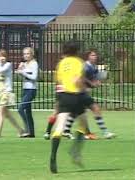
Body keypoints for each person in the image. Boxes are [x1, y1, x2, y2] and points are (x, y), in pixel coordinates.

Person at [43, 49, 115, 140]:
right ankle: (96, 133)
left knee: (75, 112)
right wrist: (91, 84)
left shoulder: (92, 67)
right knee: (83, 111)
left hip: (72, 92)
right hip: (76, 92)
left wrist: (96, 82)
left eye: (95, 55)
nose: (94, 57)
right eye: (92, 55)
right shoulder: (83, 65)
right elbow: (81, 78)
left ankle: (60, 131)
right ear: (88, 56)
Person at [50, 41, 88, 173]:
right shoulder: (79, 62)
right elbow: (77, 81)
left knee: (59, 128)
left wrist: (57, 102)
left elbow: (58, 83)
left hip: (63, 97)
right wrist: (83, 86)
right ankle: (75, 151)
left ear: (64, 51)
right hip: (76, 96)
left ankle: (53, 157)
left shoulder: (61, 64)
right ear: (76, 51)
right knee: (83, 125)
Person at [0, 49, 26, 138]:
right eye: (0, 56)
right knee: (7, 114)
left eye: (4, 56)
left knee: (0, 111)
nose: (2, 58)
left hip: (7, 92)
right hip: (1, 91)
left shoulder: (8, 65)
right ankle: (20, 130)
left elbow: (0, 72)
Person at [17, 47, 38, 138]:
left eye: (28, 54)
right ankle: (31, 133)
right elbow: (23, 76)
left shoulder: (34, 64)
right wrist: (20, 70)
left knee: (20, 108)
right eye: (24, 54)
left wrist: (23, 73)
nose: (26, 55)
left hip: (31, 90)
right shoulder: (24, 64)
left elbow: (34, 77)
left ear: (32, 54)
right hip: (25, 89)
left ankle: (27, 130)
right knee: (28, 111)